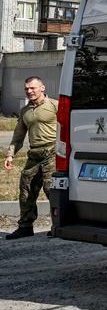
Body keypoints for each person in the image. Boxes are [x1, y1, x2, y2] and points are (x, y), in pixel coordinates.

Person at [4, 77, 58, 240]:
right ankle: (25, 226)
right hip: (34, 154)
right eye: (26, 89)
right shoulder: (25, 110)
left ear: (42, 88)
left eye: (32, 88)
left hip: (52, 152)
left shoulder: (54, 105)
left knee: (51, 189)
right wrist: (10, 154)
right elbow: (19, 135)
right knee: (26, 188)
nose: (29, 91)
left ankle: (58, 225)